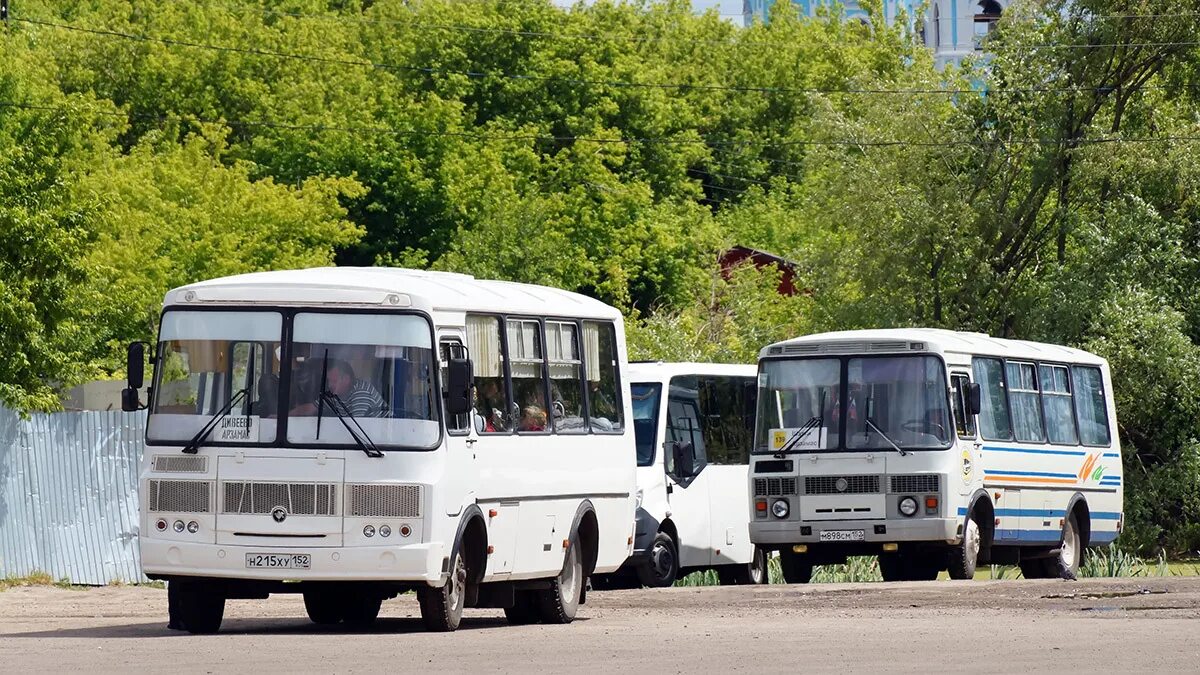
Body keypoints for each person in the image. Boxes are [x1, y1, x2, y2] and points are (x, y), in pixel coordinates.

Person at [290, 359, 387, 418]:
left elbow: (355, 427)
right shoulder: (334, 394)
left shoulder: (361, 393)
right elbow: (311, 408)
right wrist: (282, 417)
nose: (330, 385)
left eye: (334, 381)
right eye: (329, 381)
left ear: (346, 379)